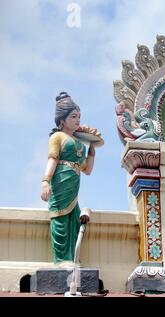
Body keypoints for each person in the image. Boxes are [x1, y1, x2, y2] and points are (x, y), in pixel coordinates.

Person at [40, 92, 102, 263]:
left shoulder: (78, 143)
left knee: (74, 223)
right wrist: (45, 181)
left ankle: (72, 260)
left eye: (79, 117)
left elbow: (87, 170)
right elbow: (53, 159)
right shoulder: (57, 136)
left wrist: (92, 148)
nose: (77, 120)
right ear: (62, 120)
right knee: (60, 220)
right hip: (60, 182)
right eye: (73, 116)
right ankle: (61, 260)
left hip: (73, 187)